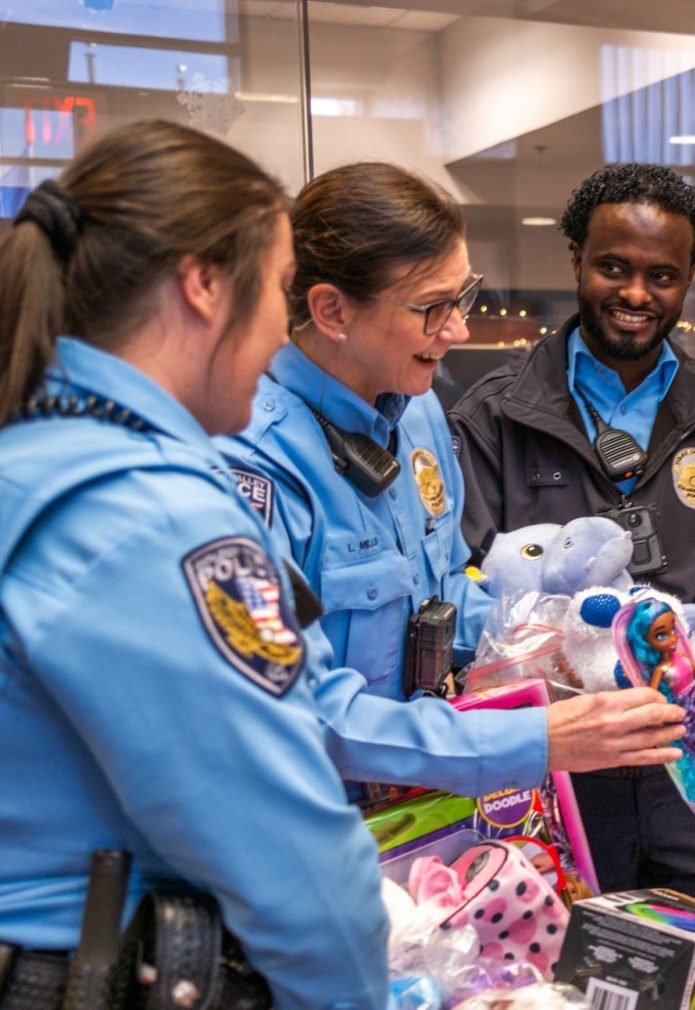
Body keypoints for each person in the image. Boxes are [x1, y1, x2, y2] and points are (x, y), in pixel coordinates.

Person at [0, 121, 389, 1009]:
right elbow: (295, 863)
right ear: (205, 285)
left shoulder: (35, 457)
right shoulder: (149, 515)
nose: (280, 336)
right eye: (281, 292)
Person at [451, 163, 695, 928]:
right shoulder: (492, 418)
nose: (636, 294)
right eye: (614, 268)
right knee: (565, 975)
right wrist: (546, 668)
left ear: (689, 278)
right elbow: (459, 589)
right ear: (575, 260)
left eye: (661, 275)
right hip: (557, 777)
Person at [219, 162, 685, 800]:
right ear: (331, 310)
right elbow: (295, 711)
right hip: (319, 822)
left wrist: (567, 637)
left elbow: (439, 603)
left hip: (434, 809)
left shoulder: (420, 415)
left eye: (461, 296)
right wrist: (537, 741)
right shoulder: (251, 462)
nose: (459, 330)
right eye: (433, 309)